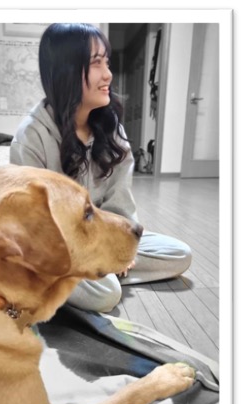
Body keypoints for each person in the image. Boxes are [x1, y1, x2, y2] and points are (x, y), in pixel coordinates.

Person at [10, 23, 192, 313]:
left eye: (106, 62)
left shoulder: (112, 130)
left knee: (179, 254)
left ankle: (88, 279)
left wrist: (122, 246)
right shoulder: (32, 137)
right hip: (57, 247)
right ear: (66, 70)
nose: (108, 74)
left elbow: (120, 203)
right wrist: (94, 255)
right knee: (105, 294)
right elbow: (37, 226)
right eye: (96, 63)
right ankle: (92, 278)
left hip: (102, 235)